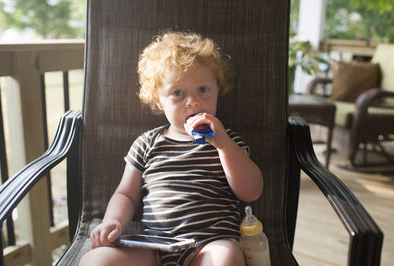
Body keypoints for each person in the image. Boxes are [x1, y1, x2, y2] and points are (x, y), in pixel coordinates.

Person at [79, 31, 263, 266]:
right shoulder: (147, 143)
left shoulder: (228, 142)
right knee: (95, 261)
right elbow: (125, 193)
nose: (193, 102)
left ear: (218, 89)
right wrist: (112, 221)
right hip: (154, 247)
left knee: (227, 257)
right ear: (159, 100)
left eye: (203, 90)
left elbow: (251, 192)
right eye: (178, 93)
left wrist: (223, 144)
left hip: (209, 245)